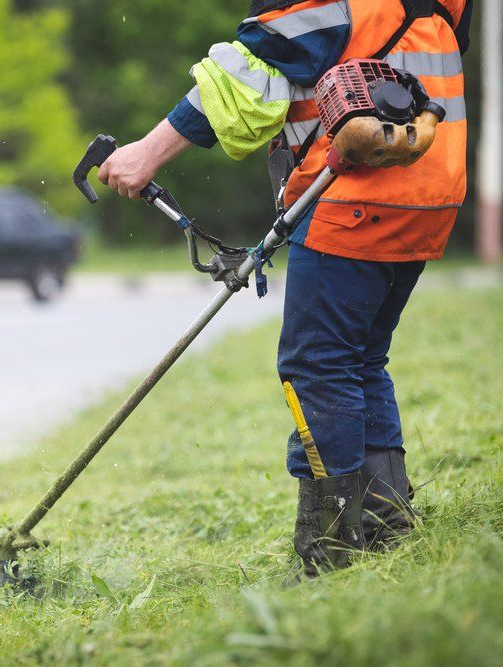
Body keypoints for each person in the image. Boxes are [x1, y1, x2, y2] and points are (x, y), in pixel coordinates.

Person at [98, 0, 473, 577]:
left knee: (317, 365)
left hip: (358, 198)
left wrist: (144, 155)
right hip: (431, 190)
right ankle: (383, 522)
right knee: (360, 359)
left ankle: (331, 548)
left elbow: (245, 75)